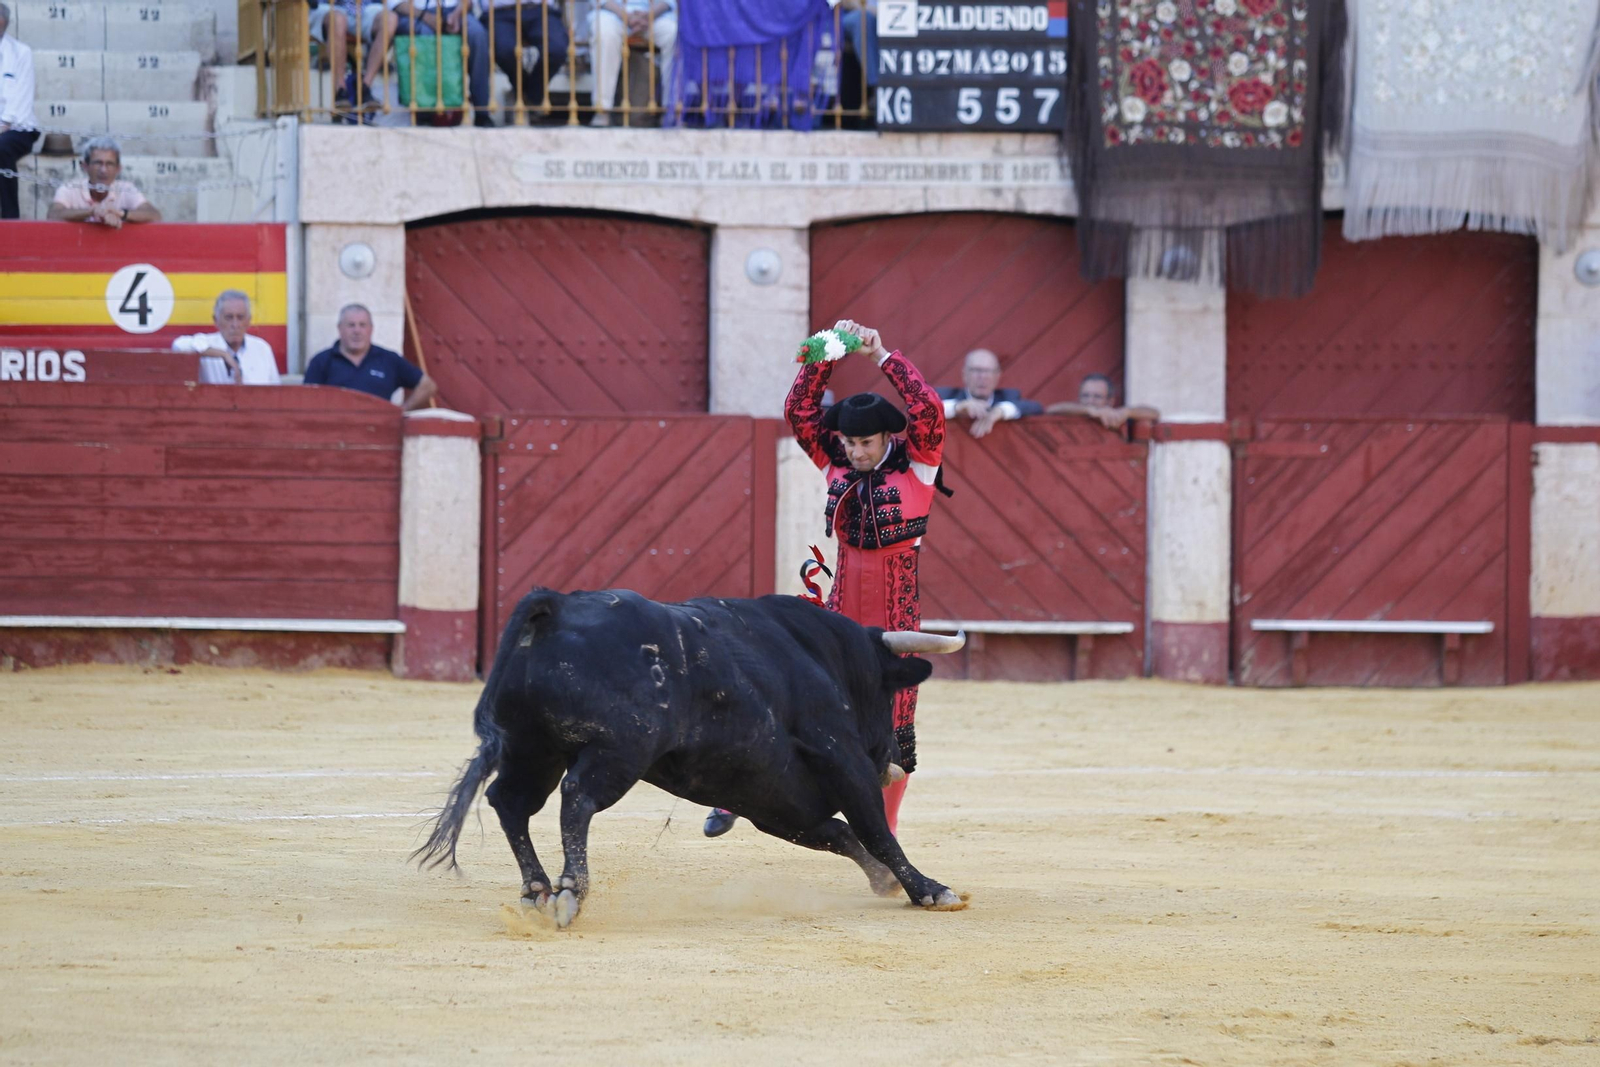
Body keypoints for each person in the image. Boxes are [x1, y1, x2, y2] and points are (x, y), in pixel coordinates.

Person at [705, 319, 948, 840]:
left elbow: (927, 409)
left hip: (894, 619)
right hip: (838, 615)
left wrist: (882, 354)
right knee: (787, 697)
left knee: (892, 732)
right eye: (849, 443)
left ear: (886, 437)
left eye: (864, 443)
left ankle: (884, 835)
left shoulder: (919, 468)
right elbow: (799, 412)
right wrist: (828, 351)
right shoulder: (834, 464)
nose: (855, 452)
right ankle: (732, 794)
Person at [303, 303, 439, 410]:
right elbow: (306, 400)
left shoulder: (389, 359)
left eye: (362, 325)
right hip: (336, 435)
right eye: (351, 325)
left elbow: (428, 386)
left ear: (371, 329)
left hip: (380, 436)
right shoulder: (321, 361)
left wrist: (401, 411)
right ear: (340, 328)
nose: (357, 331)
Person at [388, 0, 495, 126]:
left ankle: (482, 111)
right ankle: (425, 110)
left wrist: (455, 15)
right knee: (423, 36)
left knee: (477, 34)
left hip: (456, 10)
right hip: (417, 13)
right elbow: (396, 4)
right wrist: (425, 17)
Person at [589, 0, 676, 126]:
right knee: (605, 34)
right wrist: (626, 16)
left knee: (673, 35)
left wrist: (648, 16)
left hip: (654, 16)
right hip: (612, 13)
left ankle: (671, 110)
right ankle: (602, 110)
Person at [171, 290, 282, 386]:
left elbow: (275, 391)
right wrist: (223, 354)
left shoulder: (261, 348)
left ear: (249, 321)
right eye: (229, 318)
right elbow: (178, 345)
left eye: (240, 318)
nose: (235, 324)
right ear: (216, 320)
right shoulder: (207, 344)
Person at [47, 138, 162, 227]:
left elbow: (154, 215)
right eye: (98, 163)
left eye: (109, 164)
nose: (103, 170)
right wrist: (91, 211)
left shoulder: (126, 188)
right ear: (85, 166)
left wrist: (120, 213)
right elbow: (53, 215)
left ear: (118, 169)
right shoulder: (70, 188)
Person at [310, 1, 400, 115]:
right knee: (337, 19)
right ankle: (340, 90)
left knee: (390, 19)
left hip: (364, 7)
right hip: (328, 6)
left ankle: (364, 88)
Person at [481, 0, 568, 113]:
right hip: (499, 12)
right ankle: (527, 96)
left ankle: (528, 95)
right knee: (504, 51)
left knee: (557, 49)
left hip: (540, 9)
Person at [937, 347, 1043, 439]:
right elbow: (924, 409)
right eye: (976, 370)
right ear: (965, 374)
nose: (983, 377)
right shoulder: (947, 395)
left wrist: (999, 411)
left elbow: (1037, 407)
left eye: (988, 371)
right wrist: (957, 407)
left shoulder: (1008, 396)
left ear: (998, 376)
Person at [0, 3, 38, 221]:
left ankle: (10, 219)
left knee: (2, 148)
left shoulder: (21, 53)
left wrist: (2, 126)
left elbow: (19, 108)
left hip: (17, 129)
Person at [1046, 373, 1161, 430]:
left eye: (1097, 397)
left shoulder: (1116, 416)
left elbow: (1155, 413)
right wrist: (1090, 411)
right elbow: (1051, 409)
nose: (1090, 400)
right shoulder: (1073, 412)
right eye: (1086, 395)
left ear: (1110, 401)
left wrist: (1127, 412)